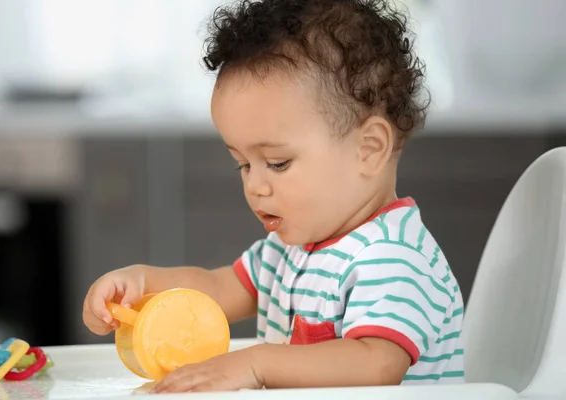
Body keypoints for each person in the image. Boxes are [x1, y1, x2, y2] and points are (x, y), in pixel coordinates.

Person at [83, 0, 464, 393]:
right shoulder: (291, 250)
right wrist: (142, 284)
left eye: (277, 163)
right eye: (243, 165)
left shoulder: (394, 257)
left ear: (368, 149)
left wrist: (256, 365)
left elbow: (376, 364)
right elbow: (219, 288)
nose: (255, 186)